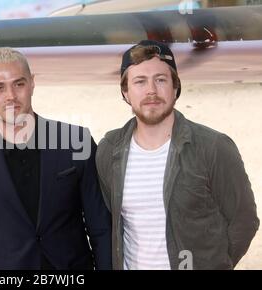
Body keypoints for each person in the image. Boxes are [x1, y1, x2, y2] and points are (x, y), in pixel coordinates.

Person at [96, 40, 259, 270]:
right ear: (126, 92)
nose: (151, 90)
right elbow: (110, 224)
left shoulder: (213, 147)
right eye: (140, 81)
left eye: (161, 80)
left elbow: (244, 220)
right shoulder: (108, 150)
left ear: (175, 87)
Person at [0, 47, 111, 270]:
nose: (10, 96)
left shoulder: (76, 141)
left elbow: (101, 227)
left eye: (19, 84)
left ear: (32, 83)